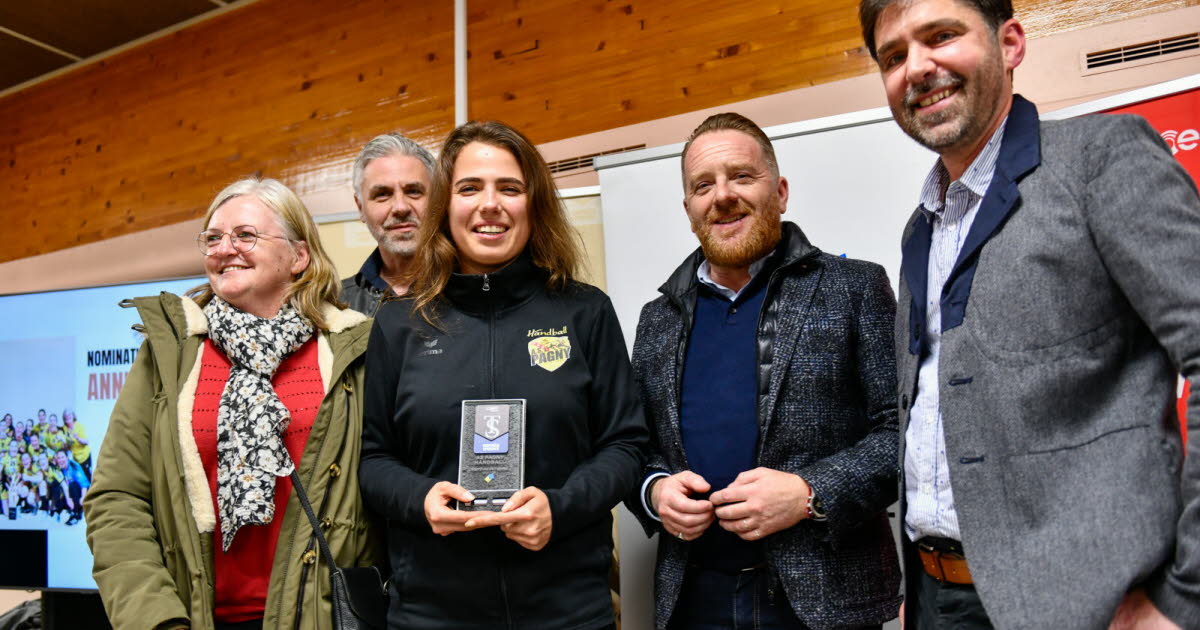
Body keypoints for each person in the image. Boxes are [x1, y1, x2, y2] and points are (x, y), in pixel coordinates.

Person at [858, 0, 1200, 628]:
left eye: (941, 35)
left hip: (1086, 606)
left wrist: (1185, 599)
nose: (917, 67)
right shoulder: (921, 226)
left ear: (1010, 43)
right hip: (935, 597)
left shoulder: (1100, 160)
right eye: (894, 56)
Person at [359, 120, 649, 630]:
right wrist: (421, 500)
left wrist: (559, 508)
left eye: (510, 188)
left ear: (534, 205)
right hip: (432, 612)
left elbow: (625, 446)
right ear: (445, 206)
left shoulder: (585, 311)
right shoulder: (399, 323)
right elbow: (374, 459)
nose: (489, 204)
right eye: (470, 188)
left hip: (567, 610)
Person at [626, 112, 901, 630]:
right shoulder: (657, 318)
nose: (722, 196)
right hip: (692, 599)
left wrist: (810, 494)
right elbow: (634, 444)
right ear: (689, 209)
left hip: (824, 601)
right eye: (703, 185)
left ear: (780, 191)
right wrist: (655, 490)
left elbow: (903, 432)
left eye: (741, 176)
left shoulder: (854, 287)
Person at [84, 177, 380, 630]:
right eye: (213, 238)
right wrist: (156, 620)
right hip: (196, 618)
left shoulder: (352, 348)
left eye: (245, 235)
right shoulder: (171, 353)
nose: (225, 249)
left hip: (320, 618)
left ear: (299, 256)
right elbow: (117, 498)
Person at [340, 132, 437, 314]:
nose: (401, 207)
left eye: (414, 191)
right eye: (382, 194)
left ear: (437, 199)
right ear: (360, 208)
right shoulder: (335, 306)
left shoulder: (475, 291)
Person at [49, 450, 88, 525]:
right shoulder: (59, 468)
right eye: (59, 458)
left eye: (62, 457)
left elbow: (84, 484)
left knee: (72, 485)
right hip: (69, 493)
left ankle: (76, 513)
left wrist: (83, 498)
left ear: (67, 458)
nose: (61, 460)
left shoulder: (74, 466)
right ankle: (58, 510)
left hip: (80, 492)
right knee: (55, 483)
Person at [61, 409, 90, 479]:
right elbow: (68, 445)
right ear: (64, 419)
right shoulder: (65, 428)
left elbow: (86, 442)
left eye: (69, 415)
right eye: (66, 416)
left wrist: (78, 438)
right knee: (79, 479)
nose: (68, 416)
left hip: (84, 457)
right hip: (75, 459)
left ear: (73, 416)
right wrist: (64, 444)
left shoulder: (79, 426)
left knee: (87, 478)